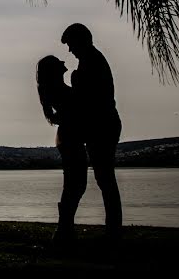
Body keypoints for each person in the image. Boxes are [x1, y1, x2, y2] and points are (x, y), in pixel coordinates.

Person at [62, 23, 123, 241]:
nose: (69, 50)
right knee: (105, 178)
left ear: (81, 40)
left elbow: (87, 99)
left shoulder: (92, 62)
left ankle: (114, 230)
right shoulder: (90, 61)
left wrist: (75, 81)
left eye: (70, 44)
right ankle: (113, 229)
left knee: (105, 178)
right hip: (102, 125)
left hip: (103, 126)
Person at [36, 55, 87, 244]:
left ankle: (65, 228)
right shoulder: (59, 91)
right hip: (70, 139)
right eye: (59, 62)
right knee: (75, 185)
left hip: (68, 139)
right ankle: (64, 229)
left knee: (74, 185)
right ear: (53, 70)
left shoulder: (57, 90)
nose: (64, 63)